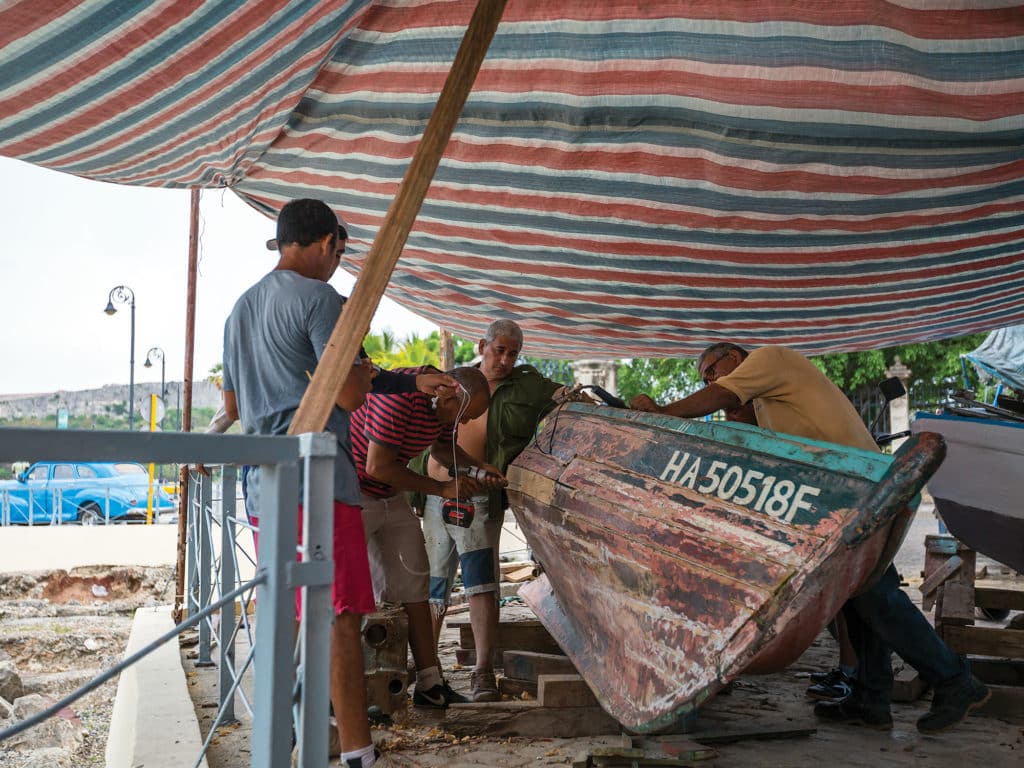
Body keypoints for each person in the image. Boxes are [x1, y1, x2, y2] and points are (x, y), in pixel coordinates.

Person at [630, 342, 990, 734]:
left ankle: (955, 680)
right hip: (847, 491)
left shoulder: (769, 358)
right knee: (857, 596)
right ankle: (871, 696)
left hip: (864, 488)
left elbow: (723, 394)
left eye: (711, 373)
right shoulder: (770, 405)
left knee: (876, 597)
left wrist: (662, 413)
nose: (713, 384)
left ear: (732, 358)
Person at [221, 198, 455, 768]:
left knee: (290, 611)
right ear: (328, 243)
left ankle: (286, 739)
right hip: (320, 478)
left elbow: (232, 403)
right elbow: (350, 395)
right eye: (339, 253)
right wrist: (365, 365)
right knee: (342, 617)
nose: (336, 264)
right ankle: (358, 752)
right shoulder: (321, 299)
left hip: (264, 482)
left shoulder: (240, 309)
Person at [416, 319, 573, 701]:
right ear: (482, 345)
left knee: (481, 584)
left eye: (513, 353)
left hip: (482, 498)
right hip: (436, 493)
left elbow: (569, 400)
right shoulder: (449, 383)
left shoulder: (529, 387)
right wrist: (428, 478)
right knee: (431, 587)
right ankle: (426, 671)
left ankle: (483, 671)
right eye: (499, 349)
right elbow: (422, 437)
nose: (504, 359)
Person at [350, 364, 502, 707]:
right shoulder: (401, 397)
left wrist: (476, 469)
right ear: (448, 393)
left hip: (391, 493)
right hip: (355, 491)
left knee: (416, 583)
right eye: (465, 416)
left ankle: (429, 684)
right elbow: (379, 466)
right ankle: (359, 688)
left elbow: (439, 448)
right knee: (354, 593)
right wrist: (440, 488)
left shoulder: (442, 406)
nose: (462, 425)